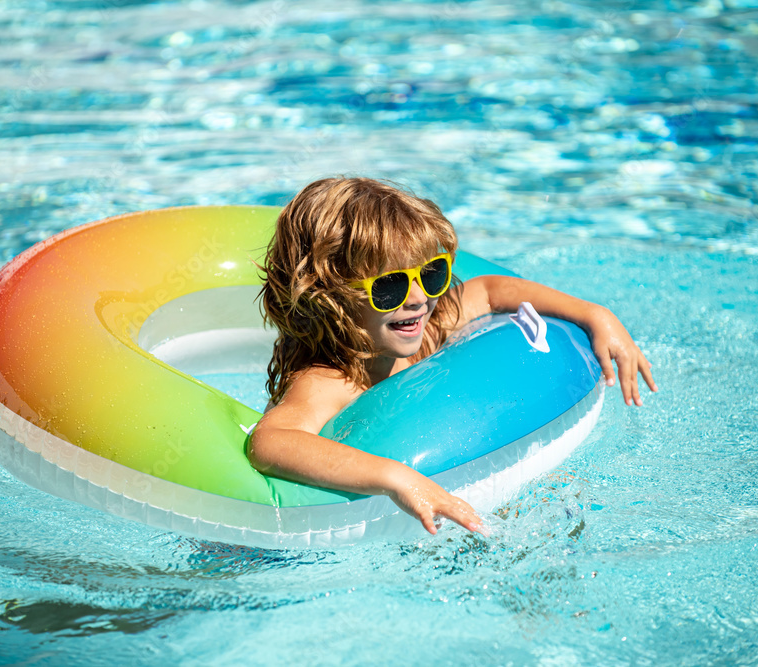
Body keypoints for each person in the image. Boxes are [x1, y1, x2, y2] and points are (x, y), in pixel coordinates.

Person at [249, 177, 656, 536]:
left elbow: (490, 291)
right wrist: (396, 477)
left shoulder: (427, 327)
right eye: (388, 287)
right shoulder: (330, 381)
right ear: (331, 298)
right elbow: (271, 441)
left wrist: (594, 314)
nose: (418, 299)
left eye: (431, 274)